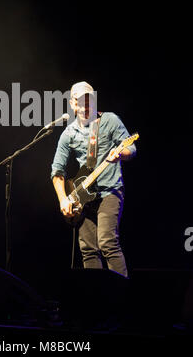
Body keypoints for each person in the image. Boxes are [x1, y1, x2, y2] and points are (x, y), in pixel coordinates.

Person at [51, 82, 136, 277]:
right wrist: (63, 199)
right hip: (83, 197)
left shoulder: (110, 121)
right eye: (80, 102)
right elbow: (57, 171)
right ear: (72, 104)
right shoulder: (69, 133)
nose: (84, 106)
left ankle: (121, 296)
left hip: (109, 191)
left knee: (107, 242)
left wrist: (120, 153)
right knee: (88, 250)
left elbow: (131, 149)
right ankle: (97, 300)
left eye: (88, 101)